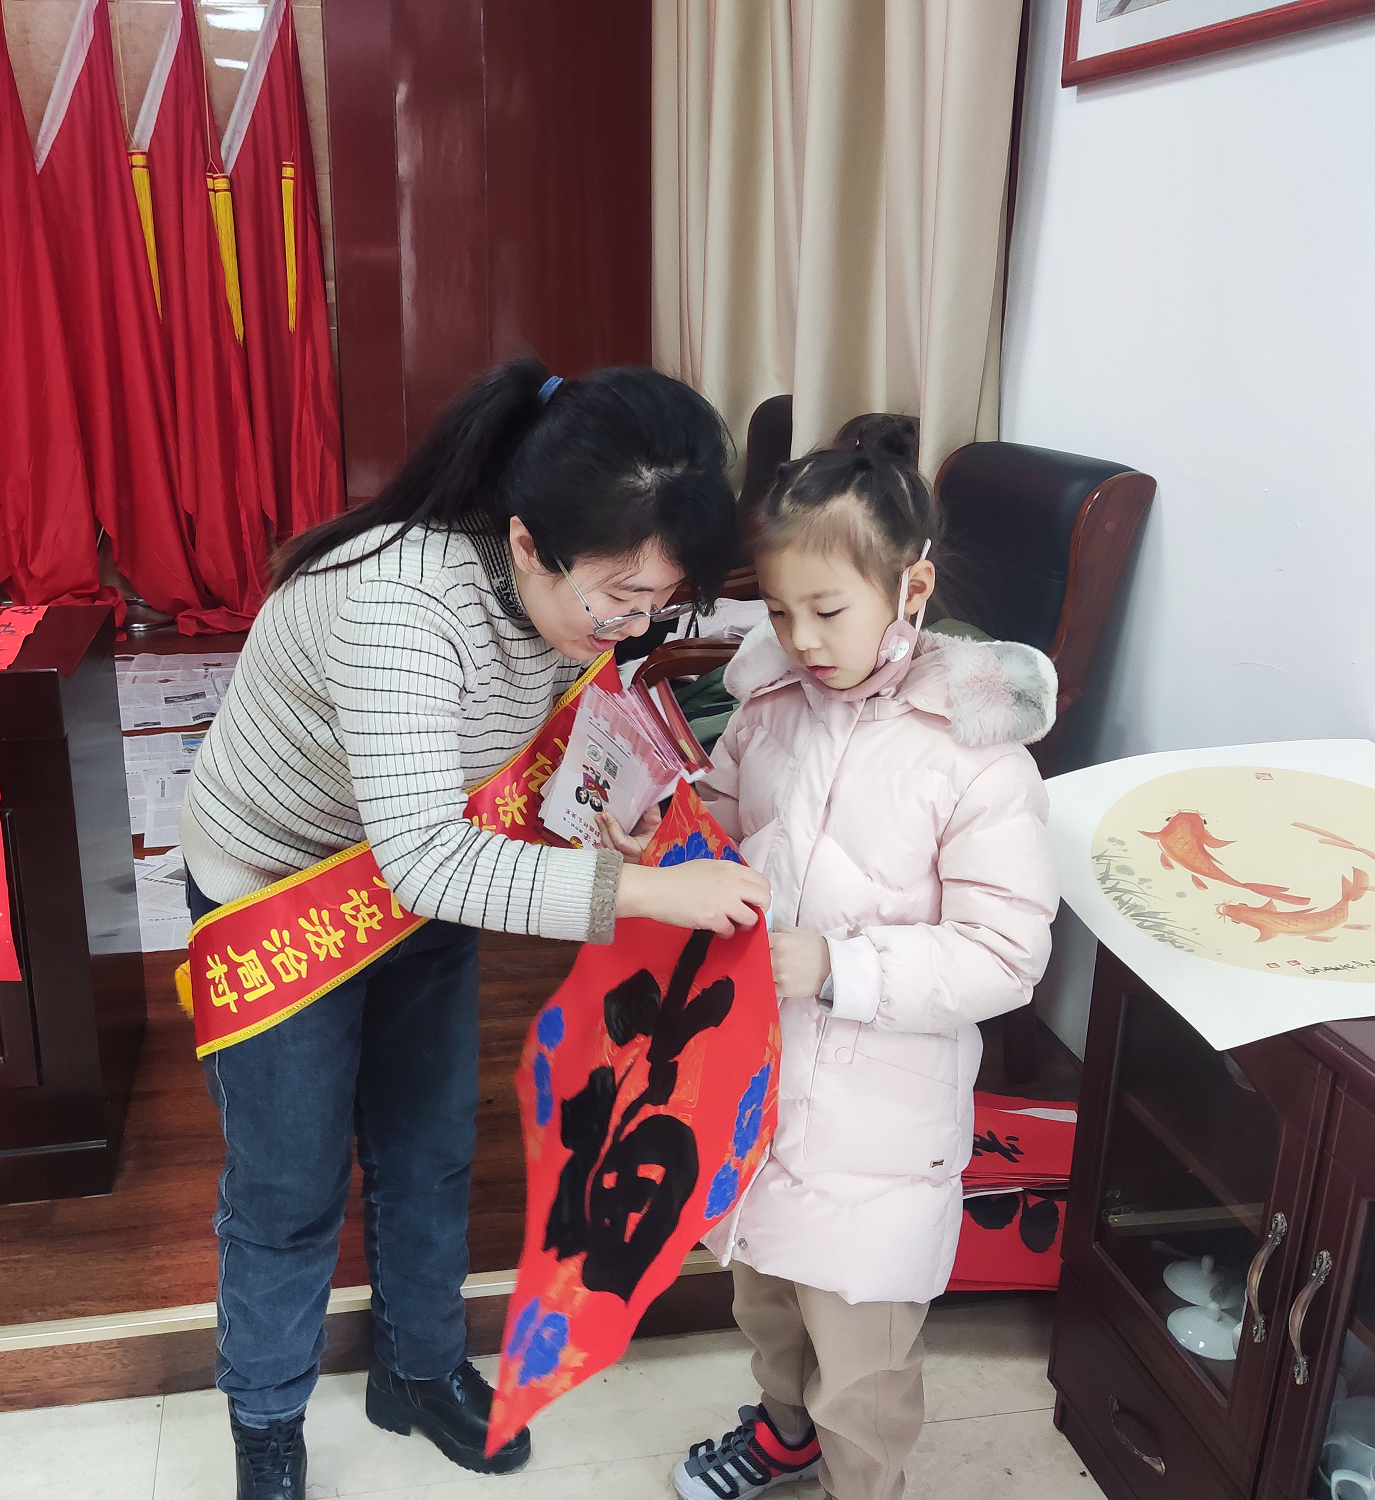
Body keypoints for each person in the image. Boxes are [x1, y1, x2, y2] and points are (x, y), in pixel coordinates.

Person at [179, 358, 771, 1500]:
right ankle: (266, 1417)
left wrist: (607, 819)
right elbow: (424, 862)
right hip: (281, 895)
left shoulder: (577, 603)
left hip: (434, 879)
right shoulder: (400, 605)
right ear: (524, 541)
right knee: (289, 1183)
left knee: (430, 1144)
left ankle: (420, 1367)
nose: (634, 627)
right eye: (618, 600)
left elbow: (509, 786)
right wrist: (642, 891)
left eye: (659, 603)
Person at [603, 429, 1058, 1500]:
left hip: (877, 1126)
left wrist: (839, 967)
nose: (800, 640)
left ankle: (862, 1483)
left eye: (827, 611)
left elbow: (1005, 955)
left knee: (862, 1363)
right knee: (764, 1301)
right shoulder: (767, 708)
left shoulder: (977, 755)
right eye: (776, 612)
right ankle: (780, 1437)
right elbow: (725, 817)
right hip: (754, 1085)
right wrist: (666, 837)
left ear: (911, 591)